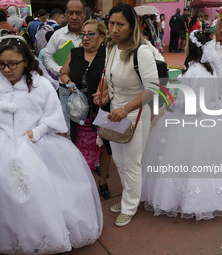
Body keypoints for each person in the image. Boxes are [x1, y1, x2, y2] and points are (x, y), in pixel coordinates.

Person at [0, 34, 103, 253]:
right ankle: (5, 233)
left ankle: (41, 233)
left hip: (36, 143)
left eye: (12, 64)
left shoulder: (41, 86)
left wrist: (36, 132)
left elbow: (53, 117)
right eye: (2, 64)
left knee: (37, 189)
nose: (7, 69)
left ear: (26, 61)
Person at [141, 30, 222, 220]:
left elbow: (193, 105)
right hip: (215, 118)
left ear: (193, 46)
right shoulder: (210, 68)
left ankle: (190, 201)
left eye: (187, 42)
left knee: (188, 160)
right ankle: (221, 198)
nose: (185, 45)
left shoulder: (196, 70)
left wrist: (172, 101)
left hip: (194, 119)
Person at [92, 2, 158, 226]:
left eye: (121, 24)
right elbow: (109, 77)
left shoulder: (142, 52)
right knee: (119, 161)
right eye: (111, 23)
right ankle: (129, 197)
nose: (114, 29)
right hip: (114, 113)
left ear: (133, 26)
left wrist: (126, 109)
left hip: (134, 114)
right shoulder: (111, 48)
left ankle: (130, 205)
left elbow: (153, 89)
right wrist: (104, 93)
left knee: (131, 163)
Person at [60, 19, 112, 199]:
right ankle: (83, 181)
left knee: (106, 146)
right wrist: (68, 82)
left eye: (91, 34)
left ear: (102, 37)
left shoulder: (109, 54)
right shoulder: (75, 53)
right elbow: (64, 72)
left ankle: (103, 180)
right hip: (79, 111)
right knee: (79, 145)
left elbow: (117, 80)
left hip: (104, 108)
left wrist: (106, 91)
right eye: (83, 34)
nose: (86, 38)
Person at [45, 0, 87, 138]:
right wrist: (62, 70)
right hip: (66, 89)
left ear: (84, 14)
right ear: (65, 15)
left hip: (89, 89)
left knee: (87, 129)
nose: (74, 17)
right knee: (67, 129)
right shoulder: (58, 35)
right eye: (70, 13)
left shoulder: (92, 35)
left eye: (78, 13)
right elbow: (48, 57)